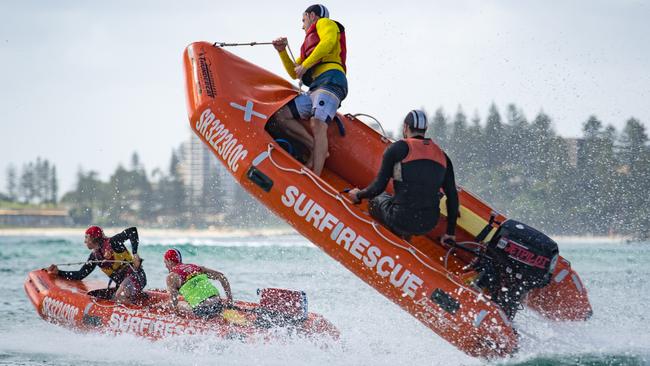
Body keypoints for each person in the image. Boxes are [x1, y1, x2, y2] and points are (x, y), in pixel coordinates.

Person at [347, 110, 460, 242]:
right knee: (403, 205)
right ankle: (405, 238)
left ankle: (386, 243)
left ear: (405, 127)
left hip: (400, 218)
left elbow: (378, 188)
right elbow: (453, 197)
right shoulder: (443, 156)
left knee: (375, 200)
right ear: (425, 130)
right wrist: (450, 233)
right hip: (428, 224)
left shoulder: (398, 149)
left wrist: (358, 195)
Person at [271, 4, 348, 175]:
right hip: (315, 88)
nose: (302, 25)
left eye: (303, 20)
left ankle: (316, 175)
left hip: (331, 81)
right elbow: (294, 72)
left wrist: (305, 66)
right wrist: (282, 51)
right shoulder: (309, 46)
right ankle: (315, 147)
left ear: (312, 15)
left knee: (318, 122)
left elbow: (328, 43)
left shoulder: (325, 24)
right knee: (282, 116)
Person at [47, 226, 146, 304]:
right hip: (123, 285)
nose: (84, 241)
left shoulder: (113, 243)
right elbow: (80, 274)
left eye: (86, 237)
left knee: (119, 295)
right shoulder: (94, 257)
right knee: (109, 296)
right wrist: (58, 272)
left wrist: (135, 253)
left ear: (94, 238)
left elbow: (132, 231)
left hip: (137, 277)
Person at [163, 248, 234, 319]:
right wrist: (229, 300)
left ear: (169, 261)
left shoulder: (171, 277)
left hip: (201, 310)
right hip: (218, 305)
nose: (166, 266)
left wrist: (160, 306)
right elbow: (222, 277)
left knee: (178, 305)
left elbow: (173, 303)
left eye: (165, 262)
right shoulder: (196, 268)